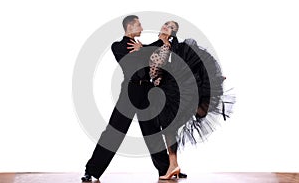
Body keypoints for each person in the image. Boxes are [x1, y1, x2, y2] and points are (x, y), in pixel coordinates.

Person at [81, 15, 187, 182]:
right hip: (130, 92)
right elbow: (134, 58)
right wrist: (157, 43)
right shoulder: (117, 46)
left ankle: (167, 168)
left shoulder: (141, 47)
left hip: (148, 92)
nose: (142, 28)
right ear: (129, 26)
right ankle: (91, 170)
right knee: (114, 132)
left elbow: (151, 58)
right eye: (139, 24)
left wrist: (148, 47)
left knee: (152, 133)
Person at [147, 21, 235, 180]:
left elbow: (198, 64)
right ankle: (173, 165)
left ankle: (173, 165)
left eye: (171, 27)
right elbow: (154, 72)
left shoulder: (180, 48)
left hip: (176, 90)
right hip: (166, 91)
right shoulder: (158, 46)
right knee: (169, 128)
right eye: (166, 24)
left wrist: (212, 79)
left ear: (173, 32)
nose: (166, 27)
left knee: (170, 126)